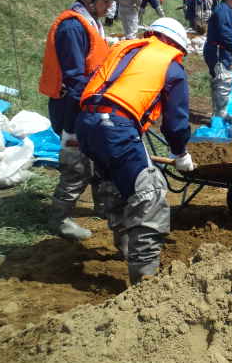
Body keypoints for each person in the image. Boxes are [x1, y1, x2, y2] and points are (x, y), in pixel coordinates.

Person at [76, 17, 193, 285]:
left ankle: (127, 246)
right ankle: (144, 283)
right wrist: (181, 154)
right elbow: (175, 122)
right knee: (149, 196)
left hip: (86, 122)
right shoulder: (169, 65)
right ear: (173, 44)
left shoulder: (124, 49)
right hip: (116, 128)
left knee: (115, 183)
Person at [38, 0, 115, 240]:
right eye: (105, 0)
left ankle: (105, 206)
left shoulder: (91, 22)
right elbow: (74, 77)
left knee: (101, 155)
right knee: (76, 165)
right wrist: (100, 101)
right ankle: (59, 220)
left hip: (88, 102)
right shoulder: (72, 27)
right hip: (71, 106)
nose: (109, 5)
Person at [204, 0, 232, 117]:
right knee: (222, 80)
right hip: (217, 51)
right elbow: (225, 32)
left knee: (220, 80)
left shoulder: (226, 10)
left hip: (220, 50)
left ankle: (217, 112)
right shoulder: (223, 11)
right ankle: (221, 114)